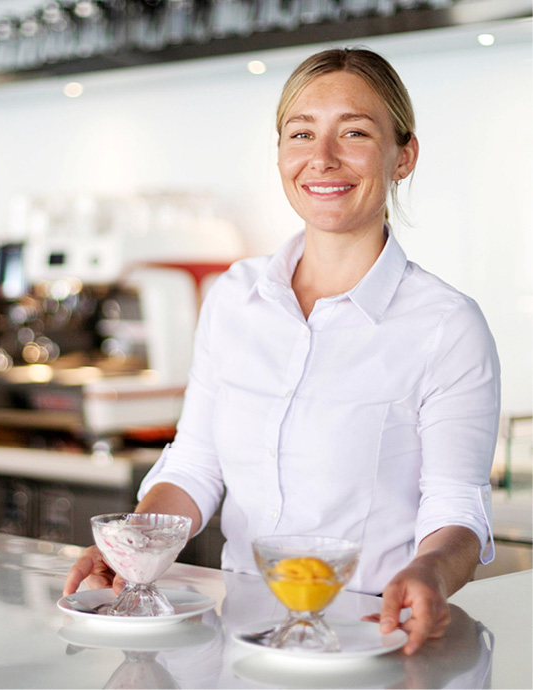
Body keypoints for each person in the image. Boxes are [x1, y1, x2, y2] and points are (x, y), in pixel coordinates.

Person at [64, 48, 500, 656]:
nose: (321, 158)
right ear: (279, 155)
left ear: (404, 155)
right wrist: (136, 543)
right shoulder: (232, 299)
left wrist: (430, 571)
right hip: (240, 640)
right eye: (301, 133)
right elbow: (196, 465)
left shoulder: (448, 325)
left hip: (373, 640)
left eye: (354, 132)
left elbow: (456, 507)